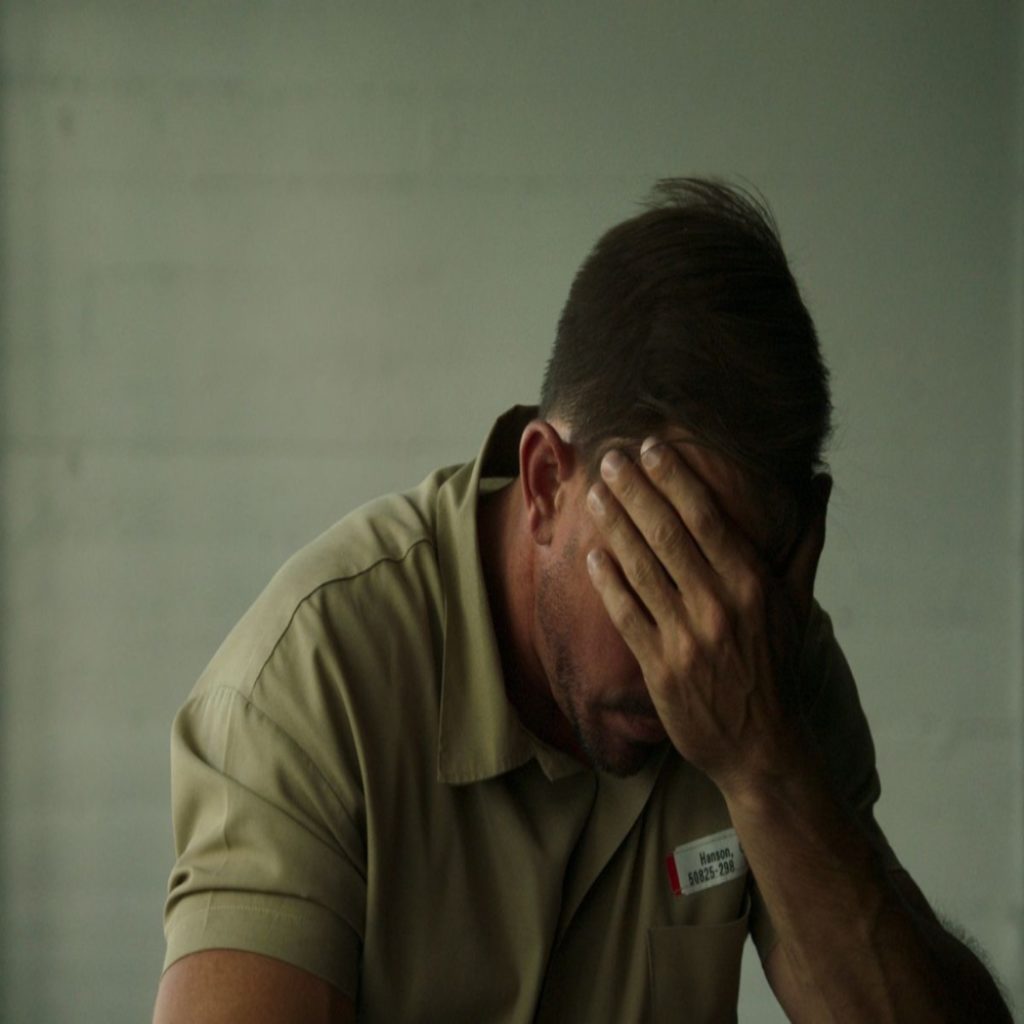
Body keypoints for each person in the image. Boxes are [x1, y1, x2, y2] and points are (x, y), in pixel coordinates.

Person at [152, 179, 1011, 1022]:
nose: (690, 656)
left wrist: (765, 766)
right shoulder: (309, 683)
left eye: (730, 577)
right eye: (657, 567)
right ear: (543, 483)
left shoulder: (754, 661)